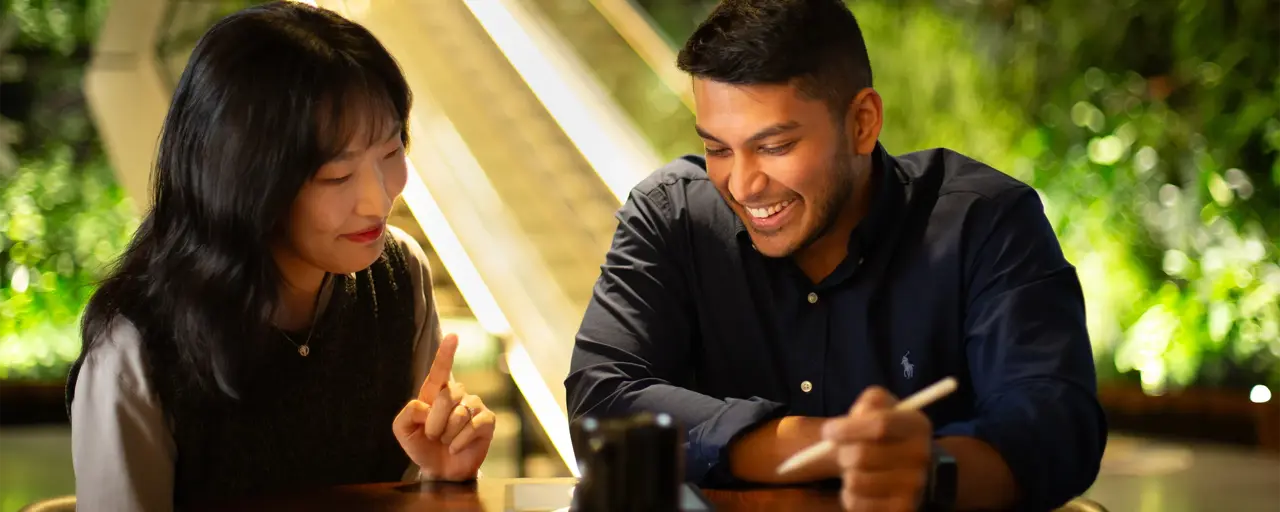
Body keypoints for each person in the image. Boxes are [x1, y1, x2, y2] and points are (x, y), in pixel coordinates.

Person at [565, 0, 1107, 510]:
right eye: (717, 148)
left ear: (863, 123)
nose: (743, 184)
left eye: (775, 146)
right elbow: (601, 401)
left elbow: (1056, 426)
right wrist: (823, 442)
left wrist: (927, 471)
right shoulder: (670, 216)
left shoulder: (983, 221)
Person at [66, 3, 495, 509]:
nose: (379, 200)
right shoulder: (138, 344)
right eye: (336, 176)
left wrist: (441, 479)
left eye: (392, 152)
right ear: (246, 181)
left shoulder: (398, 278)